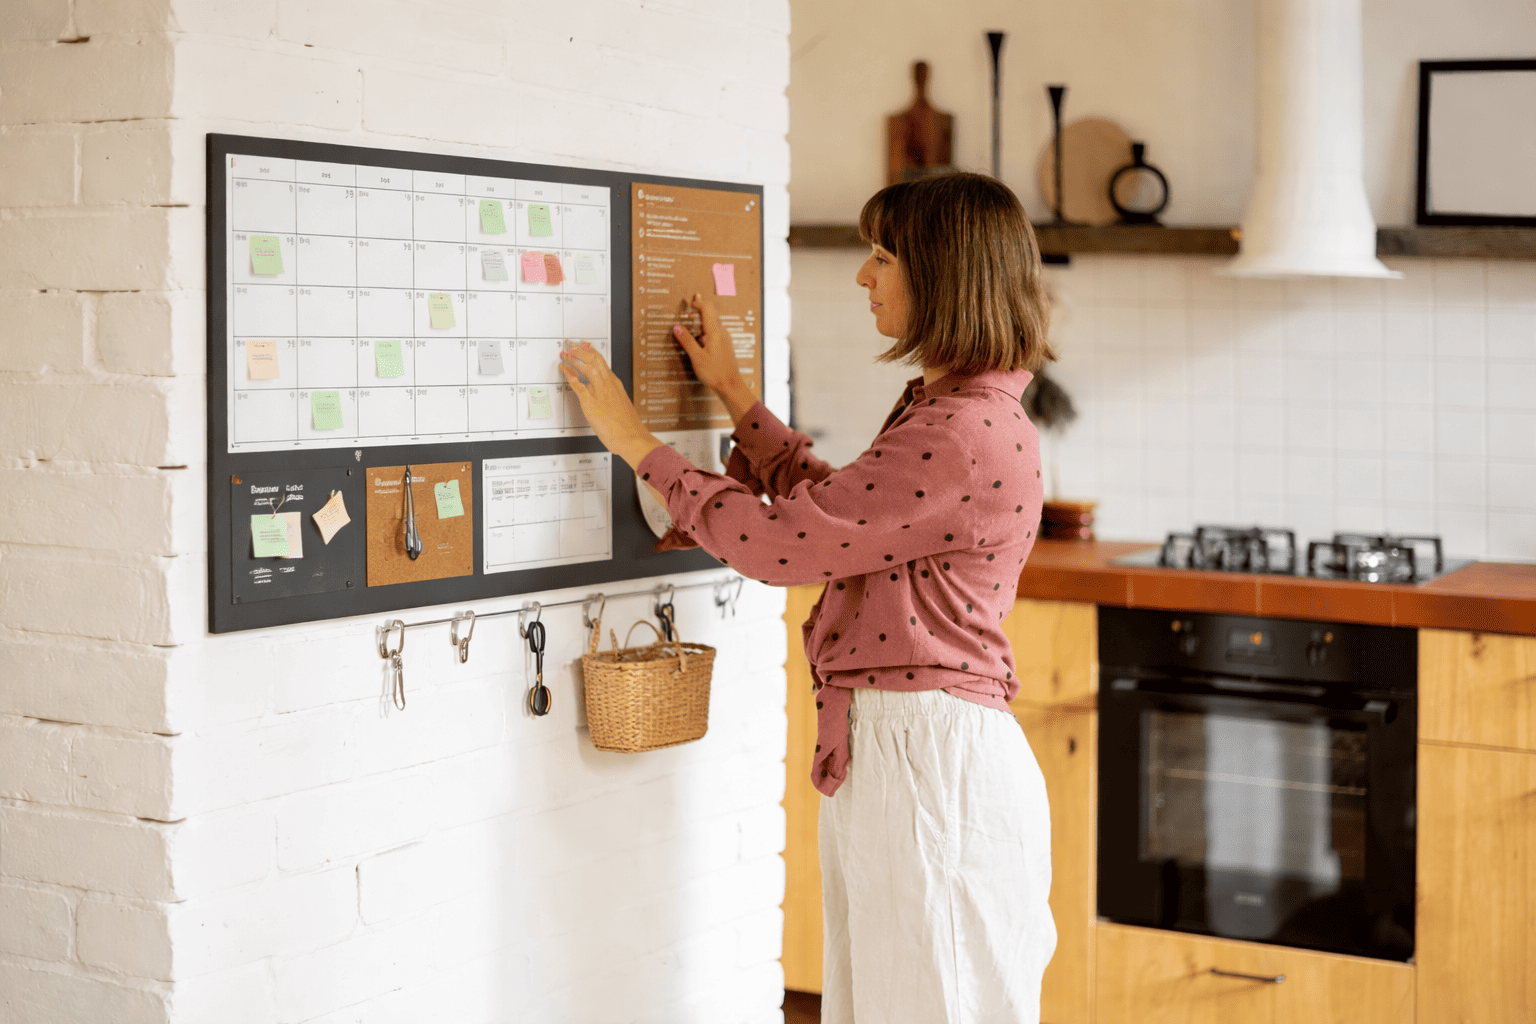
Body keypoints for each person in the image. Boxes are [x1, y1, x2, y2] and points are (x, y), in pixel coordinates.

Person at [559, 172, 1057, 1024]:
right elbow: (848, 520)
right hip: (916, 750)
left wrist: (636, 442)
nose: (864, 276)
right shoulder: (959, 414)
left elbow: (784, 543)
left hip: (926, 761)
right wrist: (735, 398)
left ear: (942, 275)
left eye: (883, 257)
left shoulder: (960, 431)